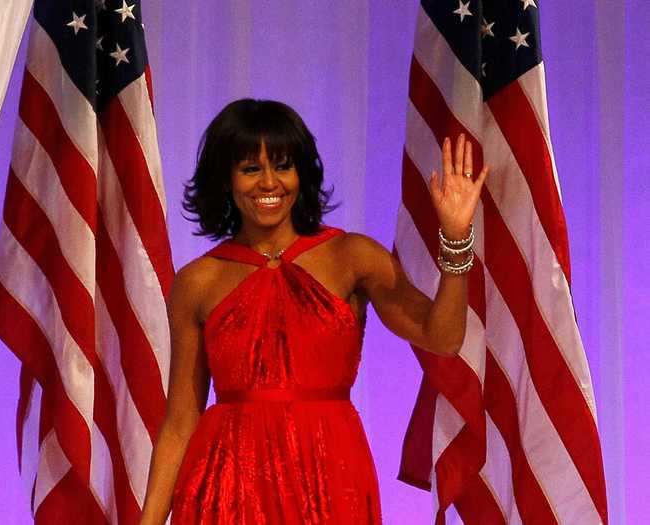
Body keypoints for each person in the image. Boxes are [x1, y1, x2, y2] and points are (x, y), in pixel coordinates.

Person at [139, 99, 488, 524]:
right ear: (225, 180)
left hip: (328, 477)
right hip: (226, 486)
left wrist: (456, 240)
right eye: (251, 169)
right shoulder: (198, 281)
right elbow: (180, 421)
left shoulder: (352, 256)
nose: (269, 182)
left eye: (282, 166)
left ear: (301, 174)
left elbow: (444, 338)